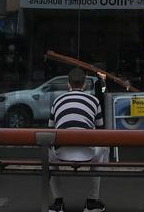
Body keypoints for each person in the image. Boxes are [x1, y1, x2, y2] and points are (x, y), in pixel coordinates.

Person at [47, 67, 106, 212]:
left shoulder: (57, 101)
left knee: (47, 151)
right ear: (84, 84)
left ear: (68, 84)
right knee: (103, 147)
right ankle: (92, 201)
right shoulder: (94, 100)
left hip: (61, 154)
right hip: (88, 153)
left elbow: (50, 130)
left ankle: (58, 202)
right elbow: (100, 129)